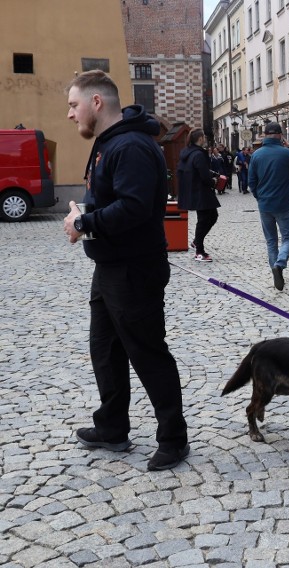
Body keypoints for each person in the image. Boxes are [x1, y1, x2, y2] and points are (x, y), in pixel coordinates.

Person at [62, 70, 189, 471]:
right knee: (106, 351)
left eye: (73, 104)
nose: (70, 114)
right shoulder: (110, 143)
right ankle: (112, 427)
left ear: (96, 103)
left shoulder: (131, 146)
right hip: (110, 266)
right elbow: (109, 196)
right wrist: (85, 211)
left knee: (148, 353)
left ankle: (173, 439)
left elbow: (133, 208)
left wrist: (85, 223)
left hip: (134, 270)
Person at [247, 121, 289, 291]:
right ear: (280, 135)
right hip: (283, 204)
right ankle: (280, 264)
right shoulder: (286, 153)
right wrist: (288, 149)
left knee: (271, 241)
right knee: (288, 238)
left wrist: (260, 197)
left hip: (265, 204)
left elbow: (251, 181)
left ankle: (275, 270)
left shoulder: (256, 155)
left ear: (265, 135)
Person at [176, 128, 220, 262]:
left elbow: (194, 170)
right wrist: (213, 180)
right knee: (203, 220)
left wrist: (211, 173)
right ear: (200, 138)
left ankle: (197, 241)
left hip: (194, 190)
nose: (205, 140)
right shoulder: (199, 154)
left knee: (212, 216)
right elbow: (203, 175)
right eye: (204, 137)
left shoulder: (187, 153)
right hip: (200, 191)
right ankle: (199, 252)